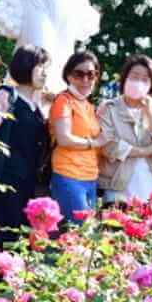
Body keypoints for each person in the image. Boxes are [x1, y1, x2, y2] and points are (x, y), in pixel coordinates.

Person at [0, 45, 51, 247]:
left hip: (27, 183)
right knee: (4, 237)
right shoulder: (6, 95)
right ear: (26, 66)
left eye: (46, 67)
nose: (45, 73)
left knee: (20, 239)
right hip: (5, 180)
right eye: (40, 66)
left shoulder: (36, 104)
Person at [96, 54, 152, 204]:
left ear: (151, 84)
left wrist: (149, 113)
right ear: (125, 78)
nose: (138, 82)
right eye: (134, 77)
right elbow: (108, 146)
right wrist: (147, 151)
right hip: (119, 186)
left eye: (145, 79)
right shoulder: (109, 108)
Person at [48, 50, 108, 225]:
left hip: (90, 177)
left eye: (91, 74)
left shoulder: (88, 105)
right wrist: (94, 143)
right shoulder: (63, 101)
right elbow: (64, 138)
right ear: (68, 76)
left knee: (86, 237)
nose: (85, 80)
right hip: (69, 175)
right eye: (79, 74)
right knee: (78, 235)